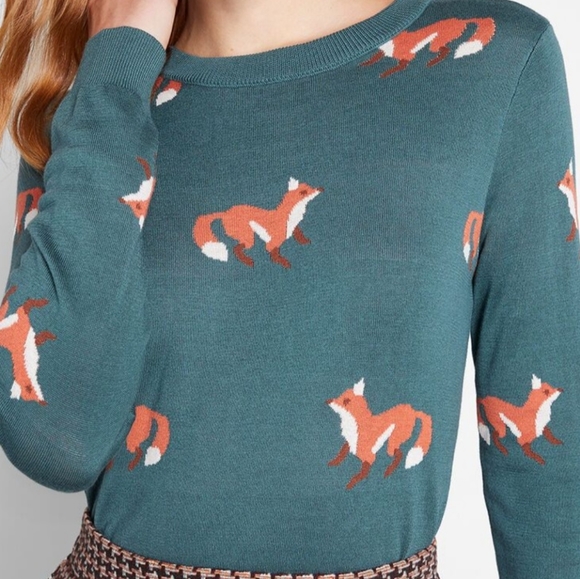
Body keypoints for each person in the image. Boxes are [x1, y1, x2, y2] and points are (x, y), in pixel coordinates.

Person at [0, 0, 578, 578]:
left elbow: (550, 488)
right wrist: (118, 65)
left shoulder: (500, 60)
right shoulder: (98, 87)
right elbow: (53, 443)